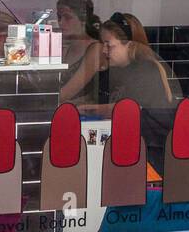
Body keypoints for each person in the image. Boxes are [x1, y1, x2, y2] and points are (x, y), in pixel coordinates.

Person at [77, 12, 181, 156]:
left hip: (149, 154)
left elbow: (131, 111)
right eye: (103, 44)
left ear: (130, 45)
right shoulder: (119, 71)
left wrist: (95, 109)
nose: (104, 50)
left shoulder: (146, 72)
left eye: (109, 45)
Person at [57, 0, 104, 105]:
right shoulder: (67, 46)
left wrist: (38, 101)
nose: (61, 23)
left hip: (86, 118)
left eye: (67, 17)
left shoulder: (96, 49)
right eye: (59, 17)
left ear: (83, 19)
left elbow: (65, 94)